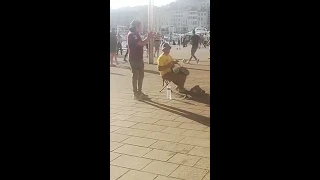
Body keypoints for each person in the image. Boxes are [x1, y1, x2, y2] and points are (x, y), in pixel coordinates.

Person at [127, 20, 152, 100]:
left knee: (141, 76)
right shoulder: (132, 35)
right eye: (140, 26)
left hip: (139, 58)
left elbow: (141, 42)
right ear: (135, 26)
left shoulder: (136, 34)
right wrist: (148, 38)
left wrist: (147, 38)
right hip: (134, 59)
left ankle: (139, 92)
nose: (141, 28)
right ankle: (136, 94)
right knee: (135, 76)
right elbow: (141, 43)